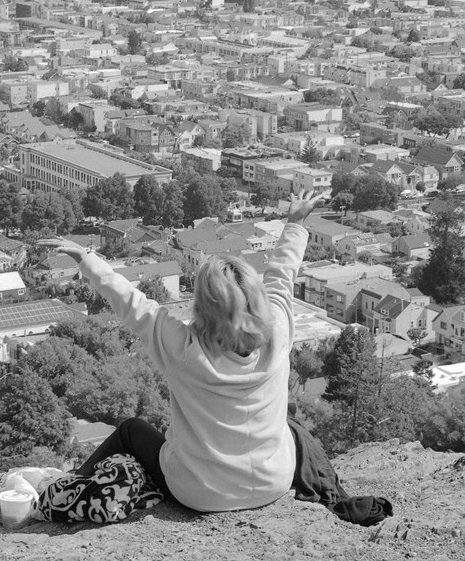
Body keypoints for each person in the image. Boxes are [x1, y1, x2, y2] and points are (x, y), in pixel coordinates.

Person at [39, 190, 323, 513]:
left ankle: (70, 485)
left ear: (202, 308)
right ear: (257, 299)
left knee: (131, 431)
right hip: (275, 482)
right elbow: (283, 276)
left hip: (199, 494)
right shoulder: (279, 332)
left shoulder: (183, 349)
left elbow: (131, 303)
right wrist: (296, 223)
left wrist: (84, 258)